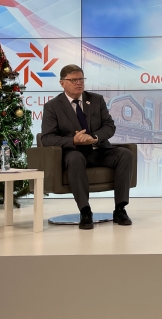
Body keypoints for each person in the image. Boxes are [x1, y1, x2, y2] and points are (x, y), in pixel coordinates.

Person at [40, 64, 133, 229]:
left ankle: (120, 209)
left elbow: (109, 126)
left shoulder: (96, 100)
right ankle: (85, 210)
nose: (79, 83)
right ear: (62, 83)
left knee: (124, 154)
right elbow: (47, 138)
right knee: (75, 158)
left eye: (81, 79)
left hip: (98, 150)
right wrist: (73, 141)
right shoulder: (52, 106)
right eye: (73, 80)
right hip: (73, 152)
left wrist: (94, 137)